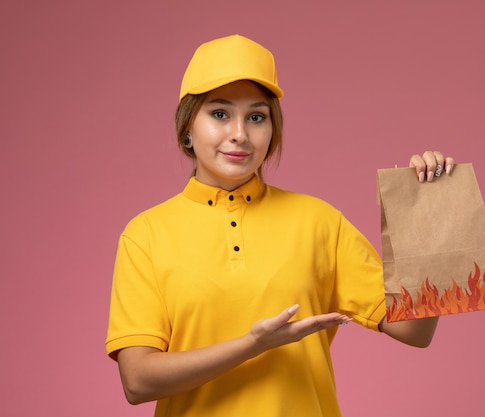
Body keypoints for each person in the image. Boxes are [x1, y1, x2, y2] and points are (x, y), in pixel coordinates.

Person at [106, 34, 455, 417]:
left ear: (272, 133)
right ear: (187, 128)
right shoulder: (146, 234)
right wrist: (253, 344)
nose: (240, 133)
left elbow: (416, 333)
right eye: (219, 114)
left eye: (256, 117)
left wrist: (425, 216)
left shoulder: (319, 222)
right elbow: (137, 381)